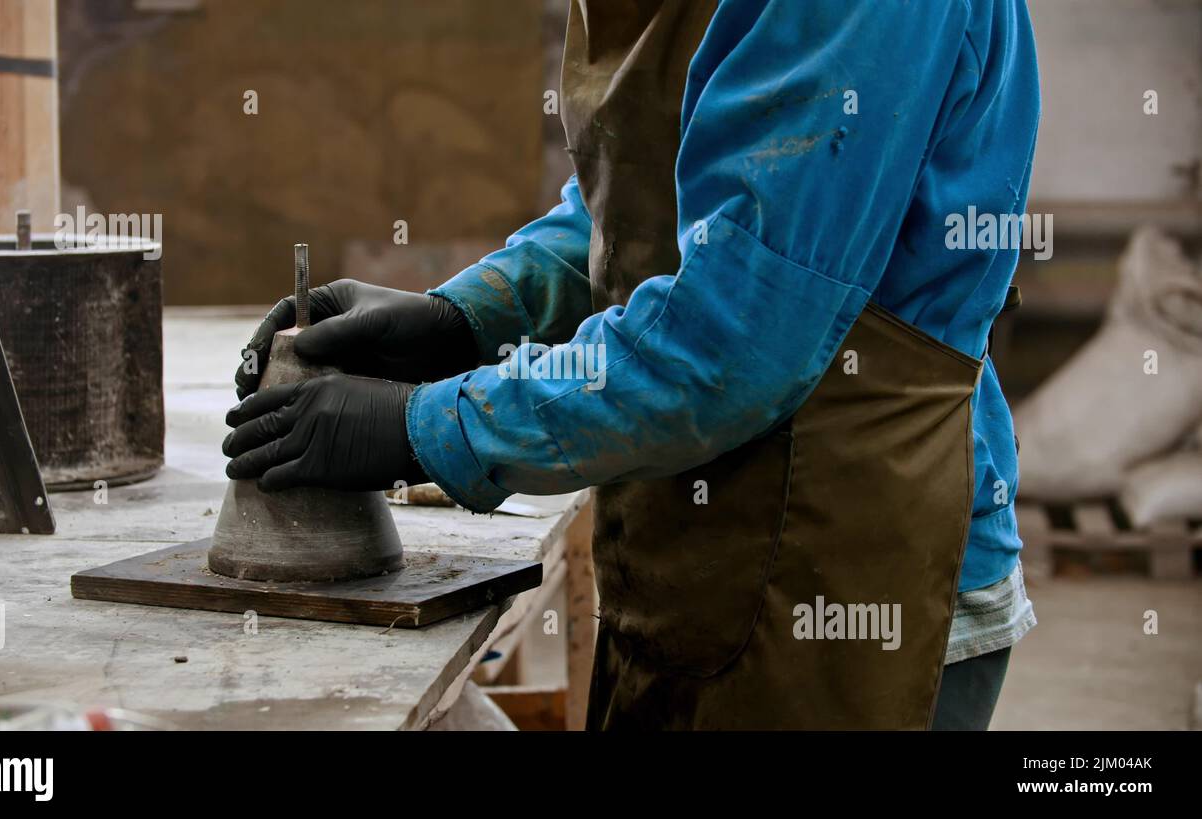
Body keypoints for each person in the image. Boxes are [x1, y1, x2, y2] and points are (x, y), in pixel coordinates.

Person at [224, 0, 1039, 730]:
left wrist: (429, 428)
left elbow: (731, 342)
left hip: (852, 582)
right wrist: (467, 317)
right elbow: (644, 204)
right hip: (688, 555)